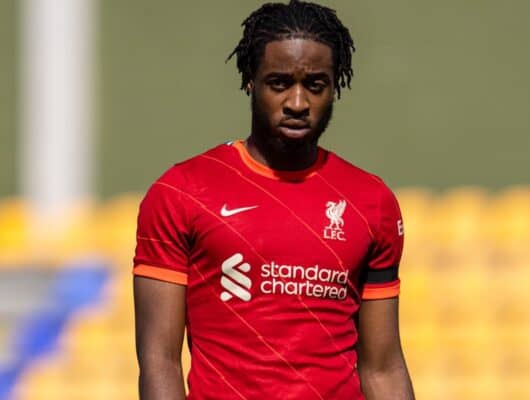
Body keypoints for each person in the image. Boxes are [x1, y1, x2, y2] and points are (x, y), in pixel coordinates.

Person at [133, 1, 415, 399]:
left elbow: (383, 367)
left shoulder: (372, 202)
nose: (297, 103)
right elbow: (159, 359)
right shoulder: (181, 192)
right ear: (251, 80)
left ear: (336, 85)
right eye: (279, 83)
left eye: (315, 85)